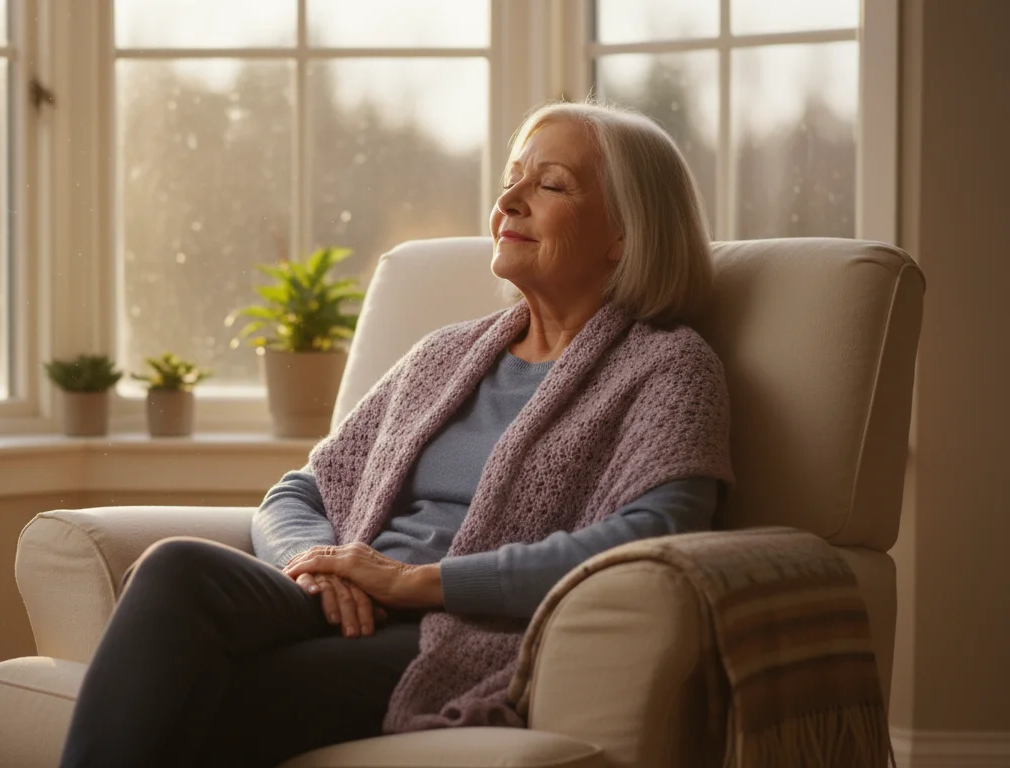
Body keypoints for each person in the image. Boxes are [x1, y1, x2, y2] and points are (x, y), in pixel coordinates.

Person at [58, 100, 735, 768]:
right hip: (339, 604)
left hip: (453, 632)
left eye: (551, 184)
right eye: (512, 178)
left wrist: (418, 583)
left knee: (205, 691)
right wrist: (320, 567)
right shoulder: (445, 355)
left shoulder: (666, 366)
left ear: (626, 232)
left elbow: (652, 537)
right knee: (176, 566)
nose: (511, 199)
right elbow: (301, 491)